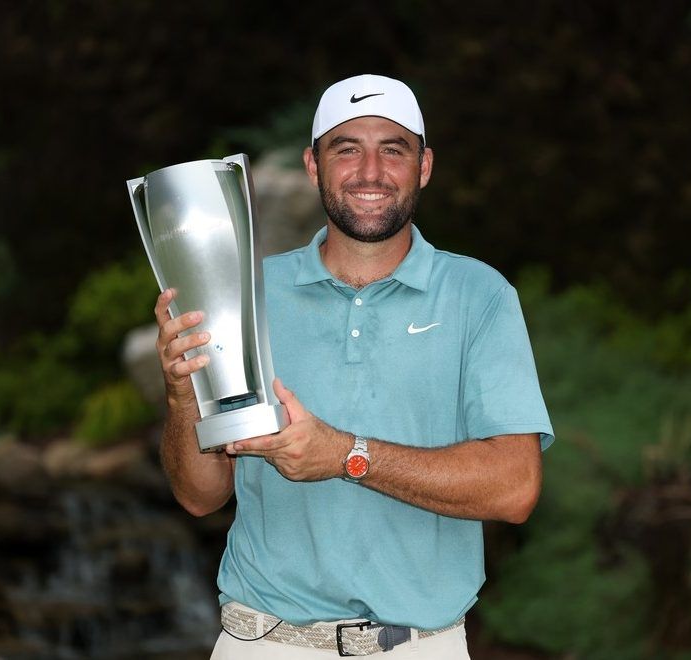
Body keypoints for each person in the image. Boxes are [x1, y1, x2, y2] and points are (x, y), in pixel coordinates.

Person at [153, 74, 554, 659]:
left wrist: (346, 455)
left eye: (393, 149)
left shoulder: (479, 295)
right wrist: (181, 396)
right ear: (313, 167)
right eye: (347, 149)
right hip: (265, 642)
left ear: (424, 166)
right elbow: (201, 496)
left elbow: (515, 488)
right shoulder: (248, 294)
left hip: (423, 647)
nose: (370, 171)